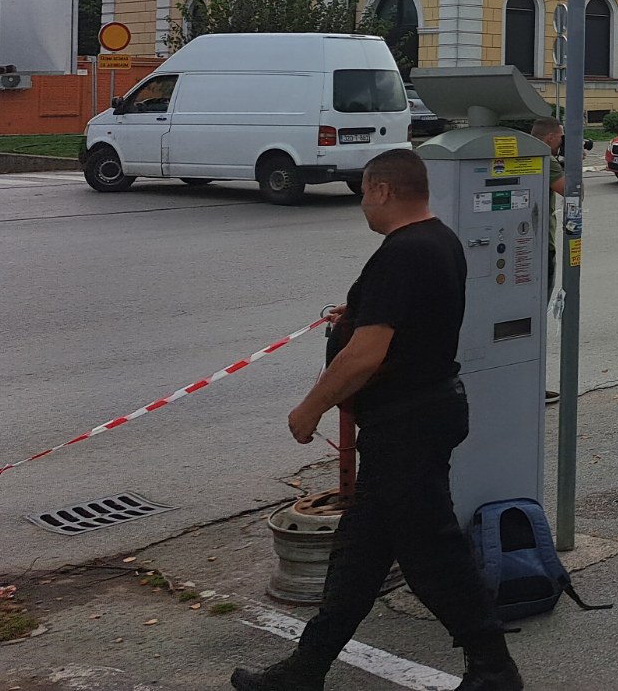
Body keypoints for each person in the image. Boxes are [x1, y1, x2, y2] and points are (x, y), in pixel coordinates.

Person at [231, 149, 521, 691]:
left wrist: (310, 407)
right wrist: (357, 315)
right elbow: (407, 322)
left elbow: (368, 353)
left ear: (384, 190)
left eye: (365, 191)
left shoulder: (403, 253)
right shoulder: (439, 240)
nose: (363, 203)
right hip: (418, 415)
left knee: (432, 552)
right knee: (360, 555)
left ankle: (494, 669)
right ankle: (304, 670)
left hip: (408, 424)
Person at [530, 118, 571, 406]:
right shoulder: (545, 158)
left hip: (524, 245)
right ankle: (533, 385)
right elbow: (572, 191)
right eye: (560, 137)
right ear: (548, 138)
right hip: (542, 246)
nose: (561, 141)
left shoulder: (525, 152)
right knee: (535, 318)